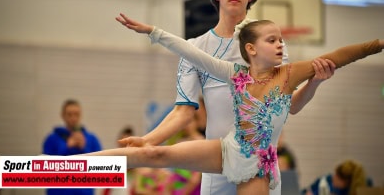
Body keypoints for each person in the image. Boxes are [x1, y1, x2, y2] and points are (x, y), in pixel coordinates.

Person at [77, 14, 383, 195]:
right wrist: (154, 33)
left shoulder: (289, 75)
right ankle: (69, 166)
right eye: (272, 40)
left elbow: (341, 56)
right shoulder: (234, 74)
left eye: (281, 40)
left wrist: (377, 44)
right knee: (154, 152)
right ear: (251, 49)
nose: (280, 45)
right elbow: (192, 53)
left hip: (258, 166)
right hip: (229, 149)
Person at [118, 0, 336, 195]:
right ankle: (74, 173)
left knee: (154, 156)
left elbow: (290, 106)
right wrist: (148, 139)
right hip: (216, 163)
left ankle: (75, 172)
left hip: (258, 168)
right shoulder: (196, 47)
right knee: (150, 154)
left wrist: (315, 82)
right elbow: (183, 111)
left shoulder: (270, 44)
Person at [43, 99, 102, 195]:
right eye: (69, 114)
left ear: (81, 115)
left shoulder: (92, 139)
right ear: (63, 115)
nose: (73, 118)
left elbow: (101, 167)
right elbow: (44, 168)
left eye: (76, 114)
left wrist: (84, 148)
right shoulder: (51, 139)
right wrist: (66, 147)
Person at [301, 159, 371, 195]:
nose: (333, 177)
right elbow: (306, 191)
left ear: (346, 182)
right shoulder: (326, 180)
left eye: (337, 176)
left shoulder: (365, 186)